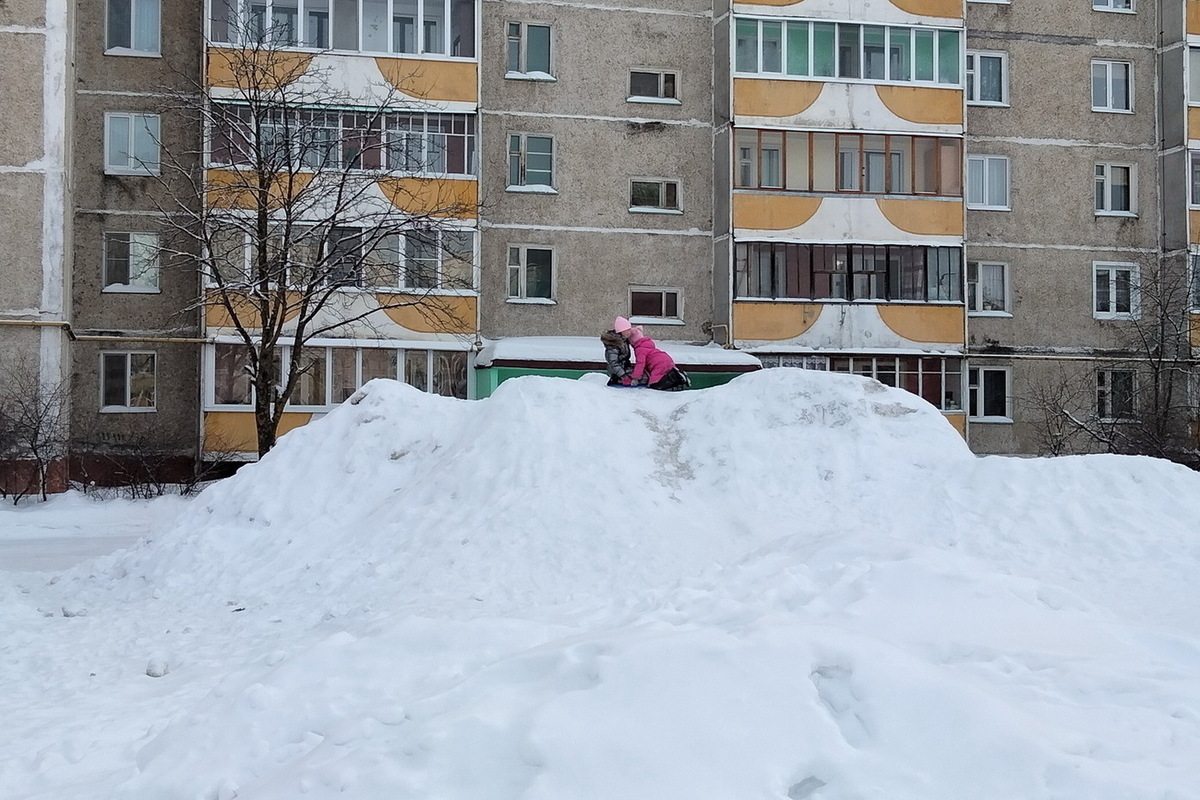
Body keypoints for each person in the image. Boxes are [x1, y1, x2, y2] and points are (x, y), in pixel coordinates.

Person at [613, 316, 690, 391]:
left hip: (659, 364)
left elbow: (640, 364)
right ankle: (675, 376)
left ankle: (676, 377)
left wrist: (635, 378)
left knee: (654, 384)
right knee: (662, 376)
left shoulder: (640, 350)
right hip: (665, 359)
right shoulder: (647, 344)